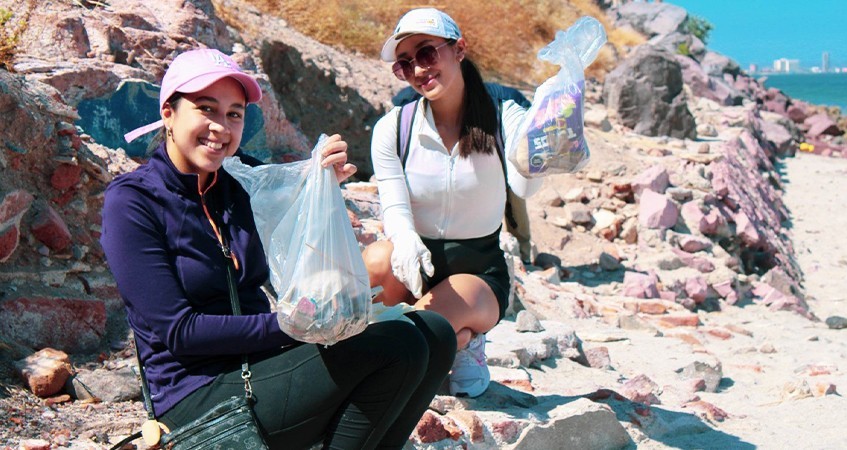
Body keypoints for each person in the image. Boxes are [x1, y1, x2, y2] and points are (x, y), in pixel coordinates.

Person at [101, 48, 457, 450]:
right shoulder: (132, 202)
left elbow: (290, 214)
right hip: (196, 396)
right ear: (169, 112)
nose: (221, 127)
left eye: (234, 114)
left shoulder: (238, 180)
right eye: (206, 109)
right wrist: (292, 327)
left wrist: (320, 186)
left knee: (435, 331)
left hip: (261, 365)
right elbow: (180, 331)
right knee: (398, 346)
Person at [362, 8, 543, 398]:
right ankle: (457, 339)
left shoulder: (502, 115)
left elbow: (525, 189)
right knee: (368, 272)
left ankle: (462, 338)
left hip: (476, 273)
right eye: (405, 64)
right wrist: (406, 241)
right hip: (416, 262)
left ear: (459, 49)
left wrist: (544, 150)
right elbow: (394, 205)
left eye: (427, 53)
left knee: (406, 338)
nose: (419, 70)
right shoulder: (394, 127)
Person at [392, 83, 536, 264]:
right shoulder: (417, 102)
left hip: (506, 142)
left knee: (514, 199)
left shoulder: (506, 106)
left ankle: (524, 253)